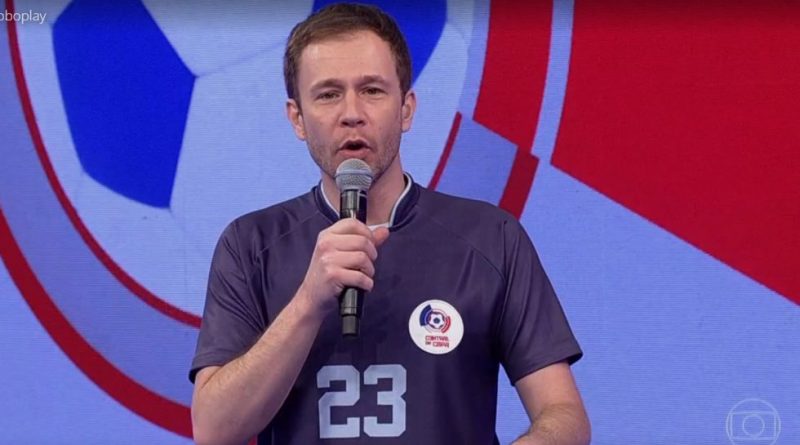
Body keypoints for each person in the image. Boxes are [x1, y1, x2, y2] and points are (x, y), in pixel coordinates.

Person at [189, 3, 590, 445]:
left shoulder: (491, 237)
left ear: (407, 109)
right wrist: (308, 301)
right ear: (297, 119)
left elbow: (564, 416)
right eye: (328, 94)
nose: (352, 112)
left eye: (372, 90)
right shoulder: (250, 244)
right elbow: (214, 430)